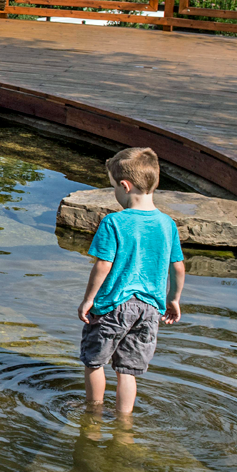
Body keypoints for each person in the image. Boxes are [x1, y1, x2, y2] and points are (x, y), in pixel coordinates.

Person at [77, 147, 185, 417]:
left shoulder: (114, 221)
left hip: (113, 305)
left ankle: (93, 413)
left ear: (125, 186)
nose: (114, 192)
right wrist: (173, 299)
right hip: (150, 310)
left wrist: (89, 299)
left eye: (113, 187)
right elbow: (178, 267)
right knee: (128, 370)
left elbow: (103, 265)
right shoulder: (167, 224)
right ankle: (124, 423)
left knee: (94, 362)